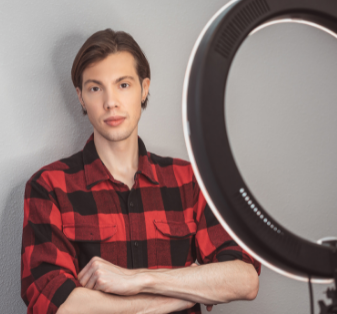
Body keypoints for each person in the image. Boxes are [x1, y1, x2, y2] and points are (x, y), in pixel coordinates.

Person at [21, 28, 261, 314]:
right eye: (95, 88)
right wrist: (185, 293)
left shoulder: (189, 181)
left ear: (144, 88)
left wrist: (136, 280)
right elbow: (58, 306)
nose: (110, 102)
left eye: (123, 85)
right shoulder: (49, 187)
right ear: (81, 97)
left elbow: (244, 278)